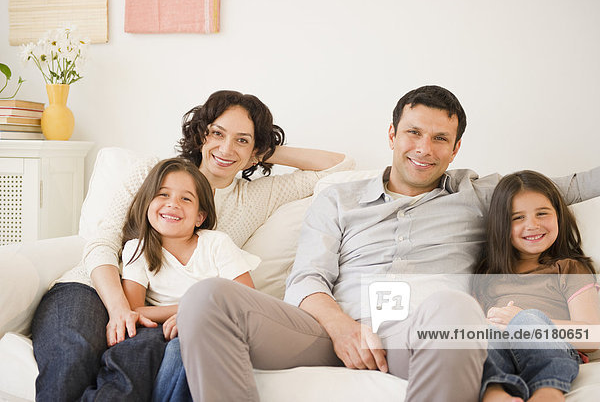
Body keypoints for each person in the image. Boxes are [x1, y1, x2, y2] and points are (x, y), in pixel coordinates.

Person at [176, 85, 600, 402]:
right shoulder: (337, 198)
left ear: (455, 149)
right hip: (329, 329)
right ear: (393, 134)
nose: (423, 149)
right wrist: (344, 330)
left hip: (417, 333)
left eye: (439, 139)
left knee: (456, 309)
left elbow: (573, 186)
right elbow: (307, 278)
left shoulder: (479, 193)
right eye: (413, 133)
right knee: (207, 297)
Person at [31, 90, 353, 401]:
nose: (226, 148)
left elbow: (340, 165)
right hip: (92, 287)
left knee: (137, 366)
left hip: (158, 316)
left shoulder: (255, 196)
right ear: (201, 135)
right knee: (73, 356)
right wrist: (119, 310)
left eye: (241, 139)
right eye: (217, 133)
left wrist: (263, 148)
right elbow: (102, 242)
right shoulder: (153, 174)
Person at [472, 171, 600, 402]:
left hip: (552, 350)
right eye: (517, 218)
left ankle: (548, 391)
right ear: (501, 225)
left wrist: (524, 323)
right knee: (484, 335)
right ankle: (495, 392)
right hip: (502, 349)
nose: (532, 225)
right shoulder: (487, 276)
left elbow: (594, 335)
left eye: (542, 213)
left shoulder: (568, 269)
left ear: (558, 217)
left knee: (529, 319)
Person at [121, 157, 259, 342]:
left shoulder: (216, 244)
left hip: (211, 325)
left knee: (185, 344)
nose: (173, 204)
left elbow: (248, 299)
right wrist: (189, 310)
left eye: (186, 198)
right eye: (163, 194)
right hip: (159, 329)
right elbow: (134, 310)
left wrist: (194, 314)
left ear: (199, 217)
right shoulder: (137, 248)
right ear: (147, 203)